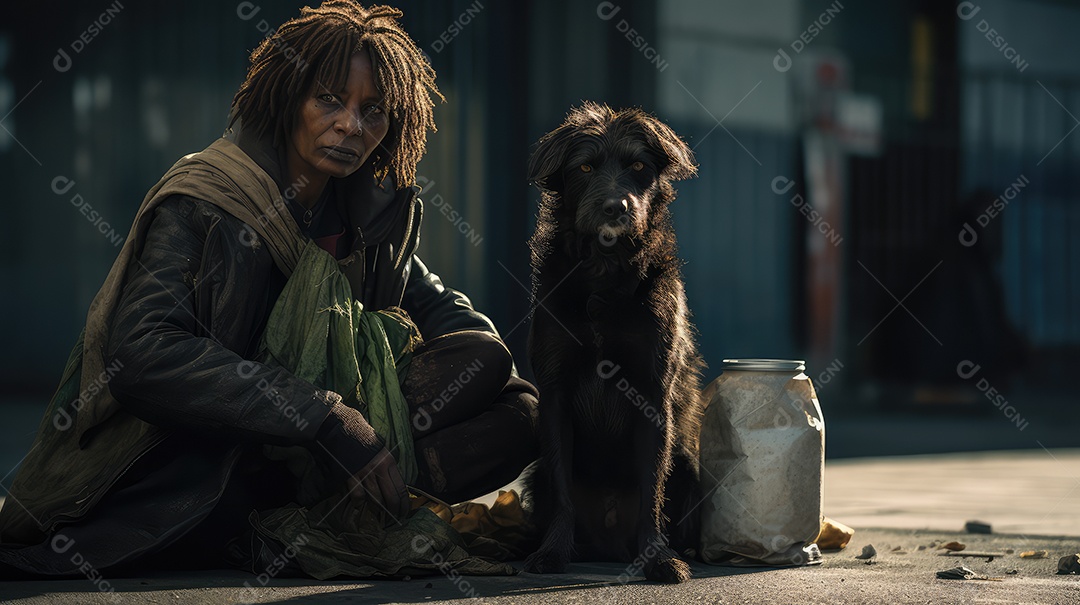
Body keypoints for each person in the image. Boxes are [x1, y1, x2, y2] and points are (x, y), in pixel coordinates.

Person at [0, 0, 538, 577]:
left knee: (517, 403)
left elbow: (447, 316)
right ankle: (341, 499)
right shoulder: (207, 201)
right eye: (330, 100)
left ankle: (365, 493)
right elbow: (141, 353)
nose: (351, 126)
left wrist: (388, 378)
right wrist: (322, 415)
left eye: (374, 111)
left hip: (315, 456)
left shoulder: (363, 212)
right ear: (288, 98)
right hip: (208, 464)